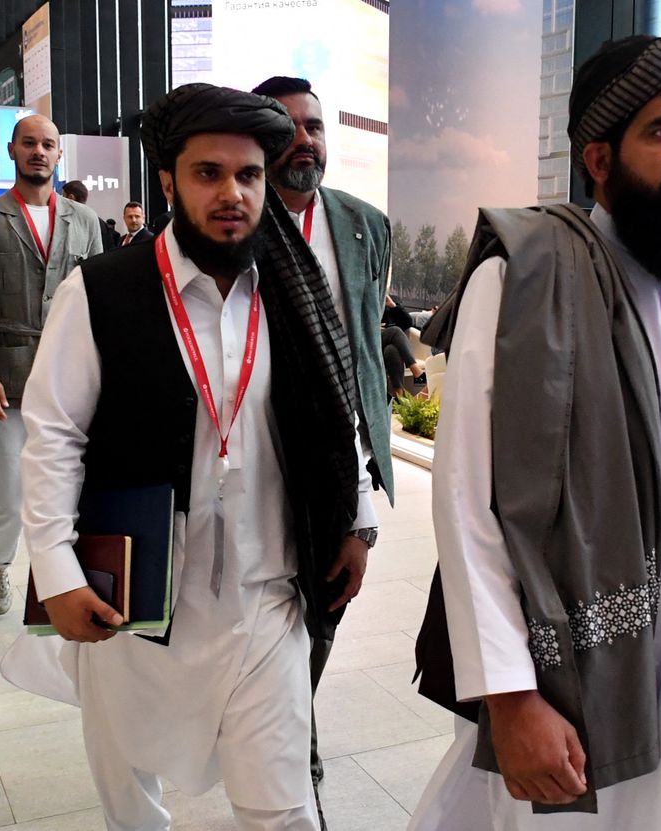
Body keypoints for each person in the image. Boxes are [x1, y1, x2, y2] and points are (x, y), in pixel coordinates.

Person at [407, 36, 661, 831]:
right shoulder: (521, 276)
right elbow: (466, 503)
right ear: (599, 157)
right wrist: (512, 697)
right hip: (585, 658)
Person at [11, 83, 375, 830]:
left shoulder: (292, 287)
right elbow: (55, 435)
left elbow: (333, 414)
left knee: (283, 811)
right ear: (169, 180)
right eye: (209, 173)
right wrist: (55, 570)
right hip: (137, 593)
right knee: (131, 797)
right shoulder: (102, 290)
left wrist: (355, 517)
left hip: (265, 595)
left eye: (248, 175)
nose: (232, 194)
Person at [253, 72, 393, 823]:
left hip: (348, 461)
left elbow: (365, 342)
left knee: (329, 604)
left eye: (314, 126)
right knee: (277, 605)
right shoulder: (239, 222)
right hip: (264, 457)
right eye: (284, 128)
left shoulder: (366, 225)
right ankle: (280, 736)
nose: (303, 140)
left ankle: (294, 719)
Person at [0, 115, 104, 616]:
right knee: (9, 489)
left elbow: (98, 301)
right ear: (12, 150)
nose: (38, 152)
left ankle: (62, 577)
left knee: (73, 483)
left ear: (59, 154)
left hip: (71, 377)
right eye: (29, 143)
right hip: (7, 377)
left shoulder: (84, 221)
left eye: (48, 144)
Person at [61, 179, 119, 251]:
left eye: (63, 196)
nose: (61, 201)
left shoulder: (72, 223)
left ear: (71, 197)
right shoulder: (99, 222)